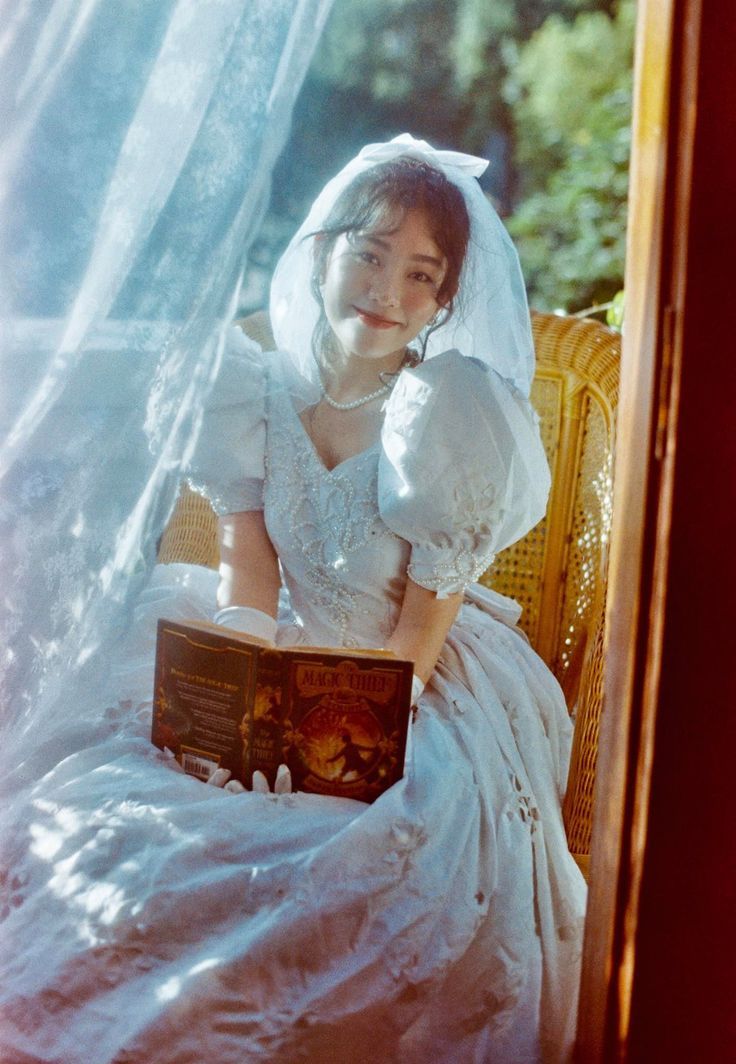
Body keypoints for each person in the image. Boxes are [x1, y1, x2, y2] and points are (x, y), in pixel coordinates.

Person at [0, 135, 586, 1064]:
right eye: (369, 256)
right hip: (284, 644)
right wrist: (241, 680)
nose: (386, 293)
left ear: (441, 301)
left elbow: (418, 638)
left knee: (335, 860)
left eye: (420, 276)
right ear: (322, 254)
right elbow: (250, 564)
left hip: (406, 676)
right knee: (133, 805)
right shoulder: (258, 391)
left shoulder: (442, 419)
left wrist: (319, 726)